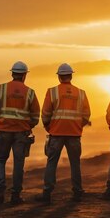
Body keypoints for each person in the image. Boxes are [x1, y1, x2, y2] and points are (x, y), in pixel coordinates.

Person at [35, 63, 90, 204]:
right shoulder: (81, 93)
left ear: (59, 77)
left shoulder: (52, 92)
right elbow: (86, 115)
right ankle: (77, 192)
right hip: (74, 133)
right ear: (71, 76)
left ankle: (47, 193)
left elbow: (45, 113)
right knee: (75, 164)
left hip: (56, 132)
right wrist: (78, 125)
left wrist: (49, 127)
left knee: (52, 163)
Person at [0, 61, 40, 205]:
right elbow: (36, 114)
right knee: (18, 164)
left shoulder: (1, 88)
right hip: (21, 133)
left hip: (4, 131)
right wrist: (30, 125)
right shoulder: (30, 92)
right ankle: (15, 195)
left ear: (12, 73)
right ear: (24, 75)